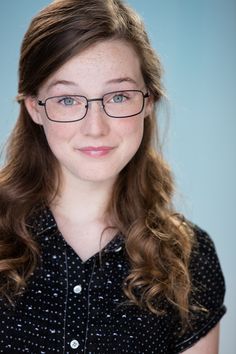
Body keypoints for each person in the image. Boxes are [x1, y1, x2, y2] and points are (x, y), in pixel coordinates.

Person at [0, 0, 226, 353]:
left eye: (118, 96)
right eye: (68, 100)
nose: (95, 128)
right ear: (34, 108)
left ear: (148, 101)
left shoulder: (190, 258)